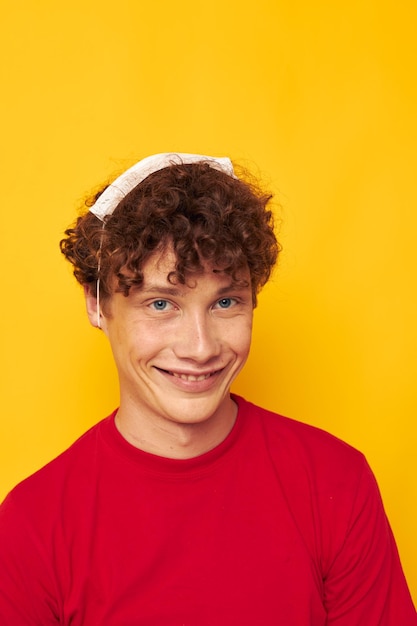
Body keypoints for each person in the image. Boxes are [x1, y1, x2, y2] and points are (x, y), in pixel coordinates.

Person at [0, 152, 415, 625]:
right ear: (97, 304)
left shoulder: (335, 483)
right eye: (161, 303)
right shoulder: (32, 526)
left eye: (225, 302)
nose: (200, 348)